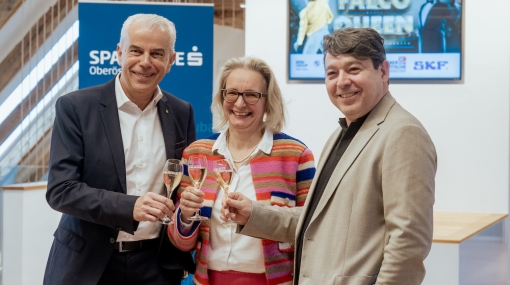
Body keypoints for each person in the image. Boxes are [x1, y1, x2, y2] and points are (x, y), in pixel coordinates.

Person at [223, 28, 437, 285]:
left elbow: (408, 242)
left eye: (354, 69)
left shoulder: (402, 133)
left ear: (383, 71)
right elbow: (316, 223)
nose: (342, 81)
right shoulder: (342, 133)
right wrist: (253, 214)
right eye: (332, 73)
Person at [44, 14, 196, 285]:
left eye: (157, 53)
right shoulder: (75, 108)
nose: (145, 62)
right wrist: (130, 207)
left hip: (157, 267)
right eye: (136, 50)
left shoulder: (181, 112)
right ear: (119, 52)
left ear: (171, 61)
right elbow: (61, 191)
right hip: (88, 267)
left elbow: (184, 183)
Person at [167, 56, 316, 285]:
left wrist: (256, 213)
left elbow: (312, 231)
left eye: (251, 95)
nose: (239, 103)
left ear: (267, 101)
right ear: (222, 96)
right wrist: (185, 216)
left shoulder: (296, 155)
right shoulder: (197, 155)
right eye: (232, 93)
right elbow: (182, 243)